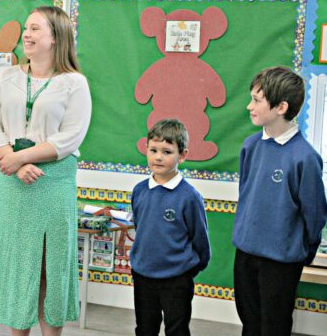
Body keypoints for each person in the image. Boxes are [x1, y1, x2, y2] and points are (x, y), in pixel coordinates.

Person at [0, 6, 92, 335]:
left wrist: (21, 158)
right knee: (18, 265)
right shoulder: (6, 77)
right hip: (11, 181)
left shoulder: (75, 83)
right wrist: (12, 162)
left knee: (48, 267)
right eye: (26, 29)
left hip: (51, 182)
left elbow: (70, 137)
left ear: (56, 38)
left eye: (35, 29)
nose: (26, 35)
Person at [233, 66, 327, 336]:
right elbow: (246, 195)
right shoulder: (250, 146)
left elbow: (315, 213)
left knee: (273, 326)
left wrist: (304, 250)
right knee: (249, 322)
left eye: (257, 100)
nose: (249, 106)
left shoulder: (305, 158)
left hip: (281, 260)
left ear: (281, 106)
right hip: (246, 253)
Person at [130, 118, 210, 336]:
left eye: (167, 151)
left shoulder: (190, 197)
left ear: (182, 155)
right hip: (143, 275)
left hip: (177, 279)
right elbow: (141, 226)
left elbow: (200, 240)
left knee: (177, 329)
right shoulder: (139, 191)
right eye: (153, 150)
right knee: (145, 328)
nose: (158, 157)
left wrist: (186, 270)